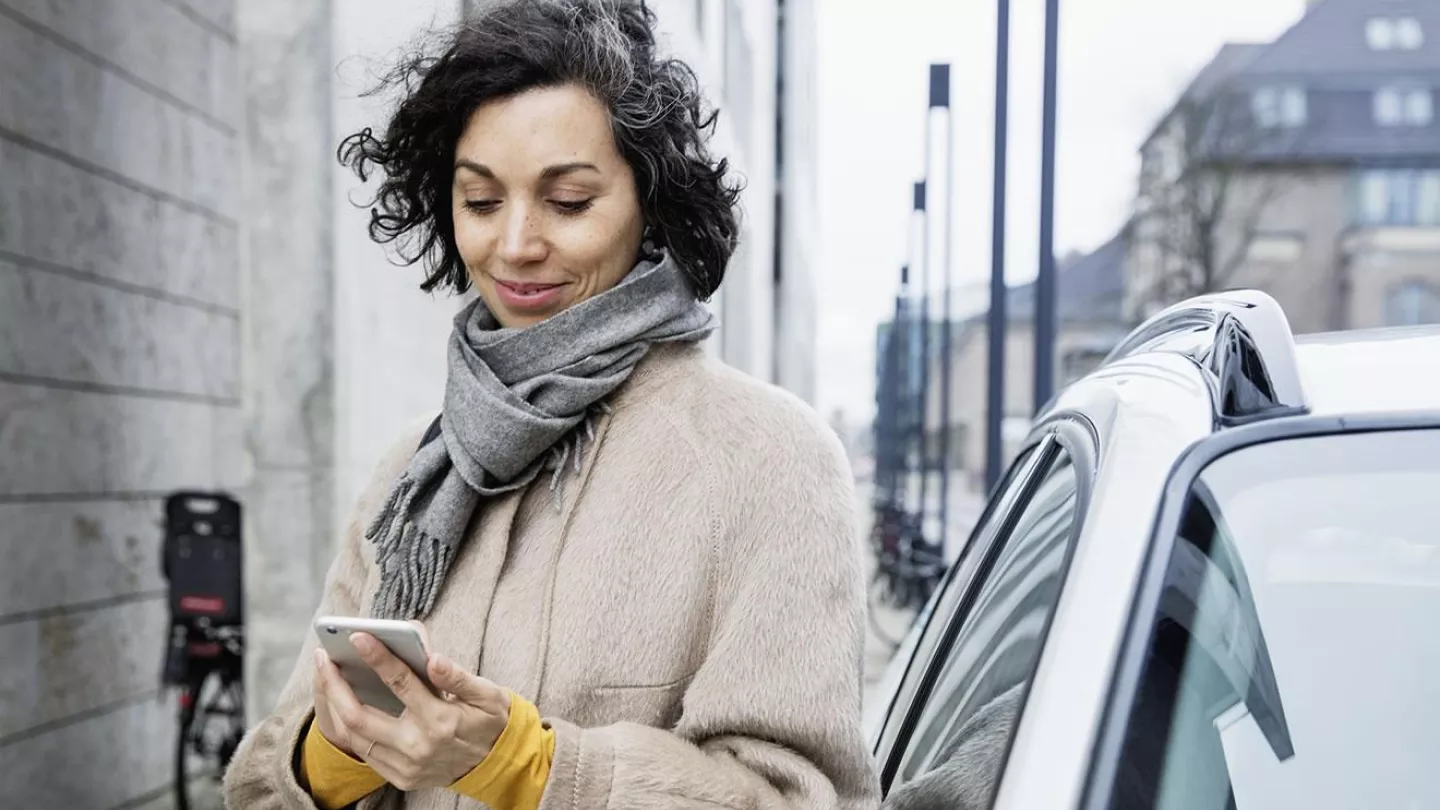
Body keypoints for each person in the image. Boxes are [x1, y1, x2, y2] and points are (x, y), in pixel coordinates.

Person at [222, 1, 880, 809]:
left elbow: (797, 798)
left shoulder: (771, 461)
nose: (516, 244)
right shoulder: (416, 470)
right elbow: (259, 788)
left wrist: (529, 767)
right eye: (482, 201)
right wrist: (341, 754)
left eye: (568, 201)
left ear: (650, 204)